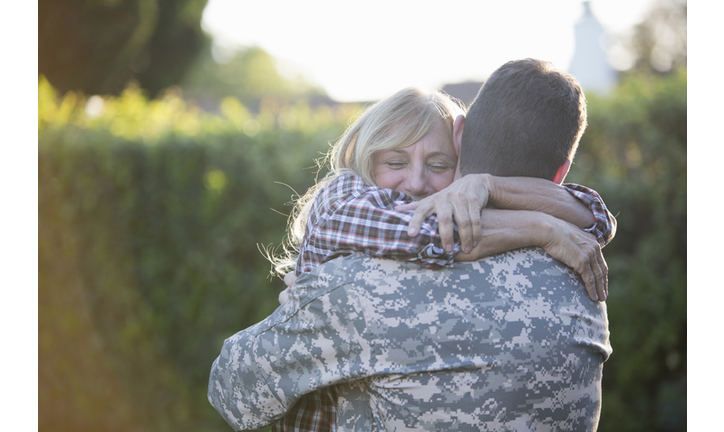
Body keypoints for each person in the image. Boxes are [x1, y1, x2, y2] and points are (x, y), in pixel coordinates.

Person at [209, 59, 613, 431]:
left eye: (438, 165)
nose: (417, 182)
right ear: (364, 162)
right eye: (395, 163)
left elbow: (232, 391)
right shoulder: (581, 278)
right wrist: (543, 228)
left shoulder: (358, 287)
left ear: (460, 147)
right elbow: (423, 231)